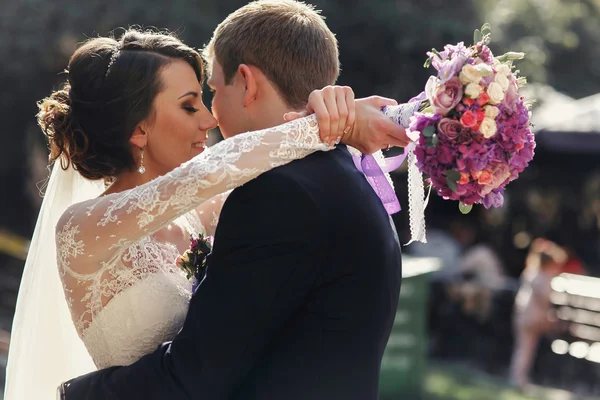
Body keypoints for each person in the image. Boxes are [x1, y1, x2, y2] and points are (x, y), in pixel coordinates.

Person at [6, 5, 411, 399]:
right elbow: (217, 168)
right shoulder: (83, 227)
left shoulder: (218, 209)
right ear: (138, 129)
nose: (209, 118)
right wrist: (328, 124)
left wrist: (333, 118)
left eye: (206, 96)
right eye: (188, 105)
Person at [510, 238, 568, 388]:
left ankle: (519, 376)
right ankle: (519, 378)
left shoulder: (530, 273)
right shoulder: (543, 278)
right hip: (533, 318)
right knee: (526, 349)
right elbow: (544, 300)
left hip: (522, 315)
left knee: (523, 348)